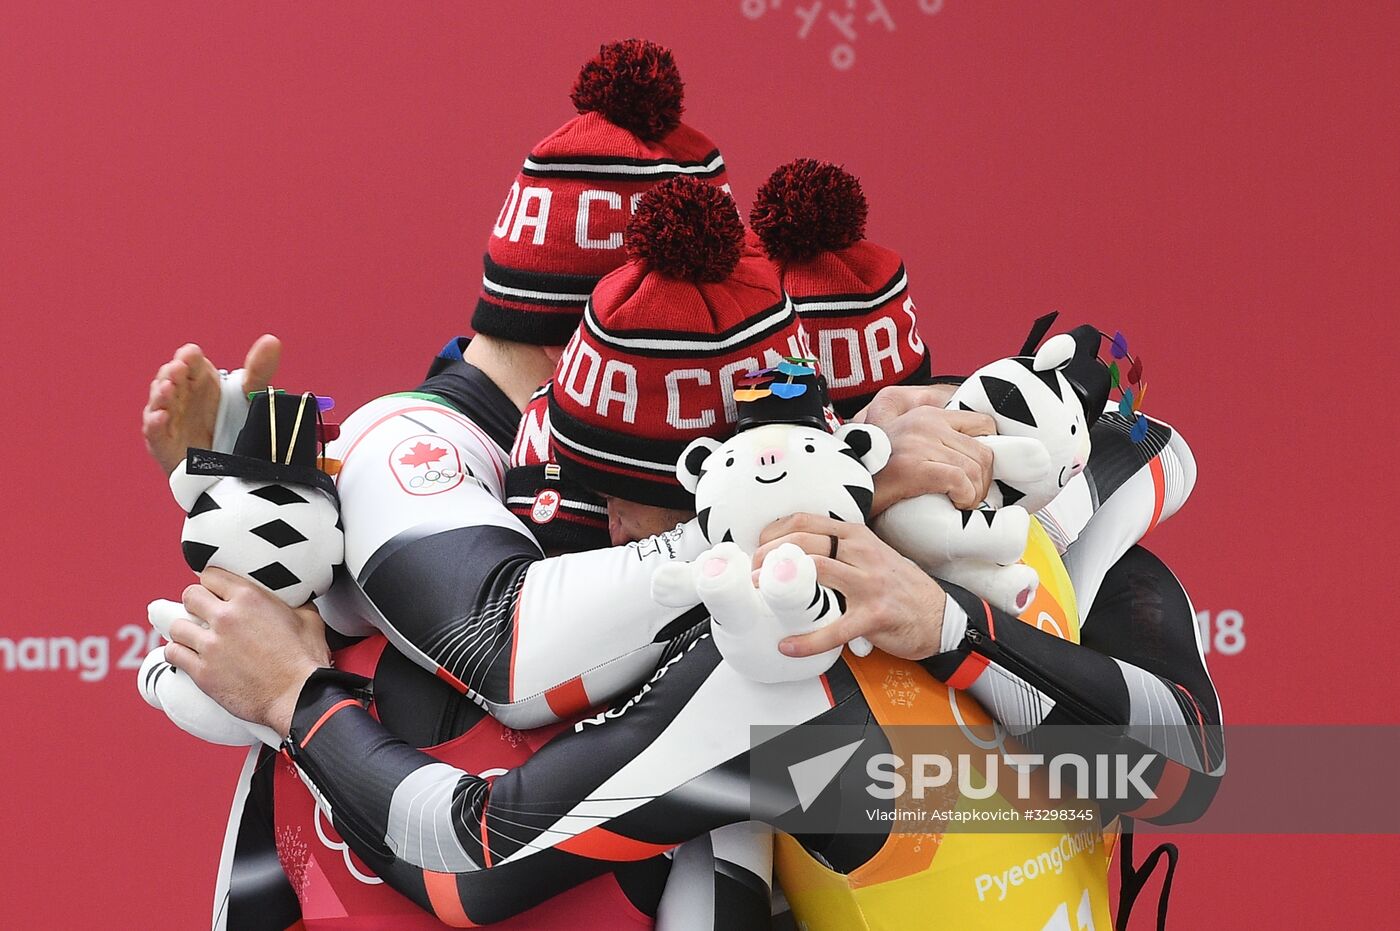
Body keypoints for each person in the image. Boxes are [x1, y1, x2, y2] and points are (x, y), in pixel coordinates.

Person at [160, 178, 1220, 929]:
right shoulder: (1029, 518)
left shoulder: (775, 676)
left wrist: (295, 697)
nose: (607, 529)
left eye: (616, 499)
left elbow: (468, 854)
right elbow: (1185, 773)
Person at [140, 50, 1001, 927]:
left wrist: (829, 493)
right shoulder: (409, 441)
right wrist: (801, 501)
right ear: (594, 329)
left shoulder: (792, 598)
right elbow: (504, 652)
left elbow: (1111, 750)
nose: (616, 520)